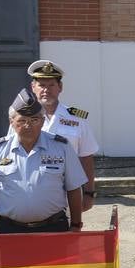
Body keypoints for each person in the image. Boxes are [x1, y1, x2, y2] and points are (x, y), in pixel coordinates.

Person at [0, 88, 87, 234]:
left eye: (34, 120)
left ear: (42, 121)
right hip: (10, 230)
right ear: (11, 122)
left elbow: (73, 188)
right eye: (22, 120)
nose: (28, 125)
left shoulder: (61, 147)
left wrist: (75, 225)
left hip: (53, 228)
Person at [29, 60, 100, 211]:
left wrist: (89, 192)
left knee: (69, 232)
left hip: (68, 194)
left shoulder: (77, 118)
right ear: (33, 87)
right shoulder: (21, 119)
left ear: (60, 87)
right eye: (42, 85)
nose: (46, 90)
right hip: (31, 193)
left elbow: (86, 157)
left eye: (51, 85)